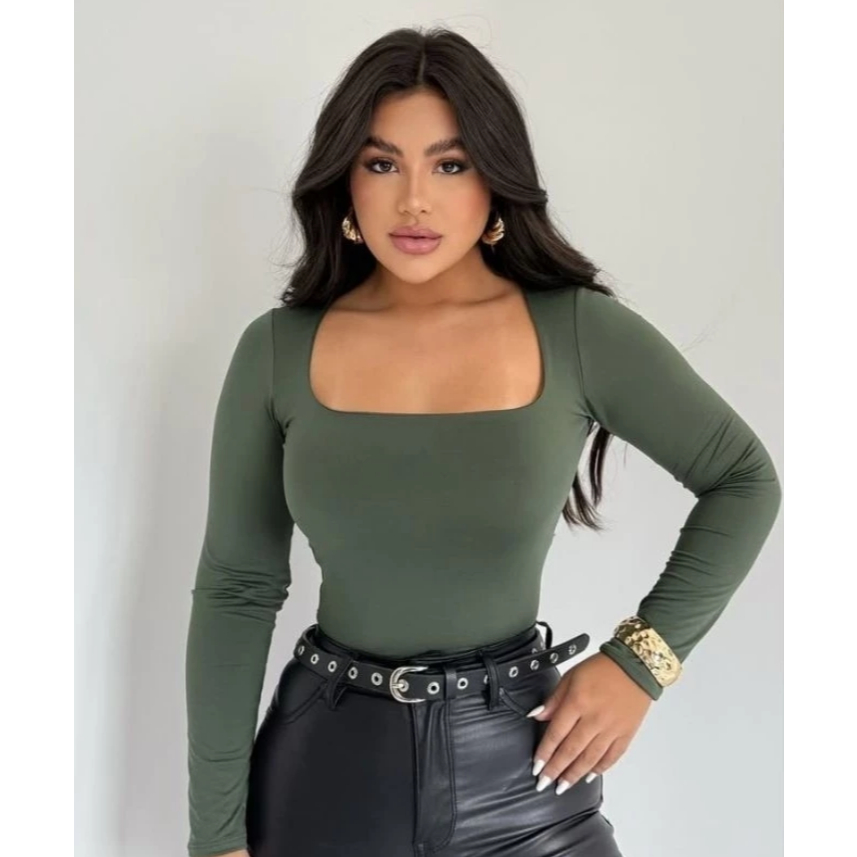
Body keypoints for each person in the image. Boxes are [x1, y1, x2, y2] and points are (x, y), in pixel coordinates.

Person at [184, 26, 782, 857]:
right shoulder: (278, 350)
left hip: (526, 771)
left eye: (450, 164)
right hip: (327, 774)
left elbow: (743, 478)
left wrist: (641, 662)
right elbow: (237, 588)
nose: (413, 200)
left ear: (494, 179)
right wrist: (214, 838)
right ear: (345, 179)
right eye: (382, 163)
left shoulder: (578, 331)